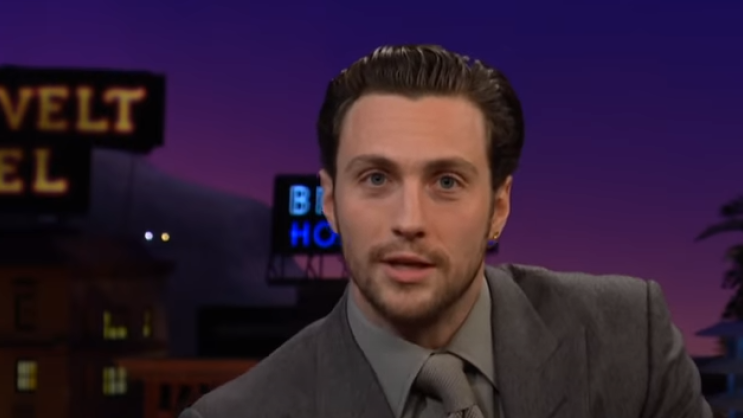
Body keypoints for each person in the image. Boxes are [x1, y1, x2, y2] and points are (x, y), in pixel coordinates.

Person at [180, 44, 712, 418]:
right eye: (376, 178)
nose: (409, 220)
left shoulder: (629, 341)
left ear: (498, 207)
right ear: (330, 203)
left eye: (447, 181)